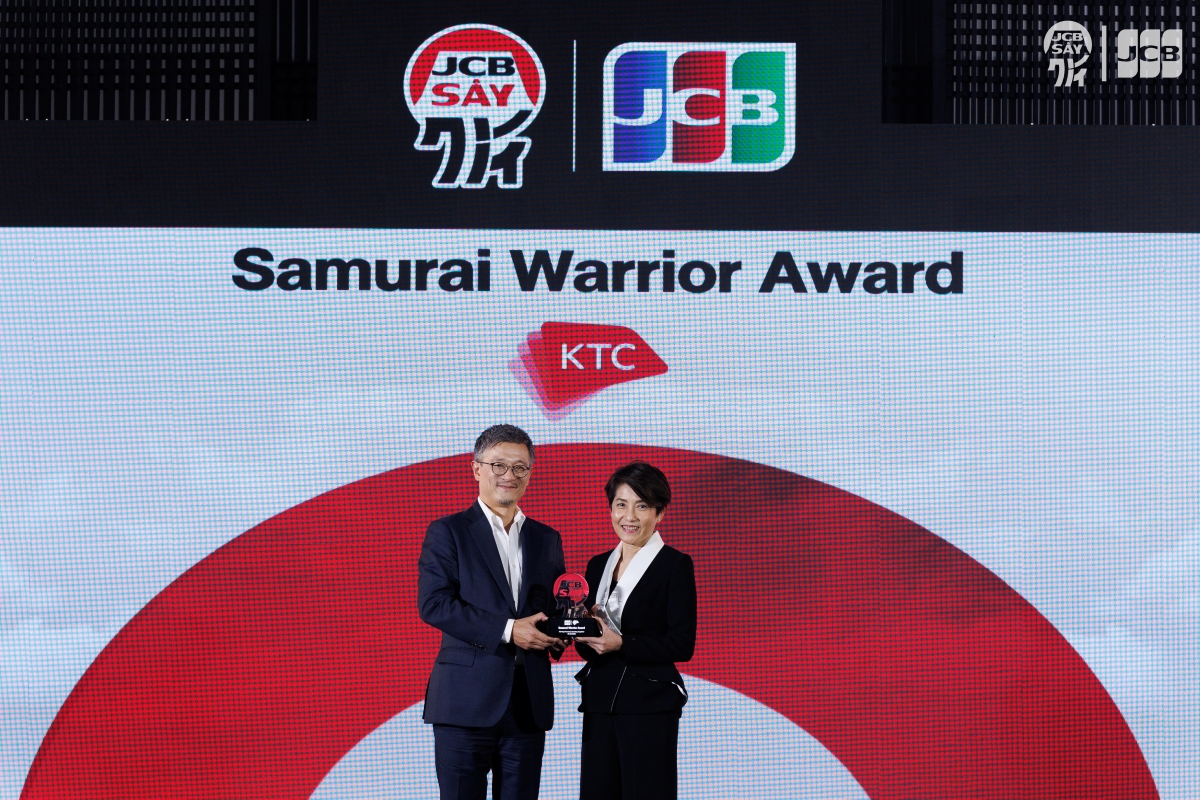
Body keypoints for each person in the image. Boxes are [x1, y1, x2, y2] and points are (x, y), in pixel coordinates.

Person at [417, 424, 567, 800]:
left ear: (529, 473)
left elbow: (550, 609)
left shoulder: (546, 539)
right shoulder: (448, 531)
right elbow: (434, 604)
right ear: (476, 468)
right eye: (498, 465)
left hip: (528, 704)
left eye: (520, 467)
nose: (509, 475)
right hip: (464, 704)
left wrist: (570, 627)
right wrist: (509, 630)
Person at [574, 461, 697, 800]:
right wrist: (580, 630)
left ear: (660, 513)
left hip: (649, 702)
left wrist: (622, 643)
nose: (629, 516)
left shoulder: (675, 565)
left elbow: (681, 644)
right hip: (600, 700)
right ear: (611, 508)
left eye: (642, 506)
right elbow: (591, 645)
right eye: (621, 504)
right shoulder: (598, 565)